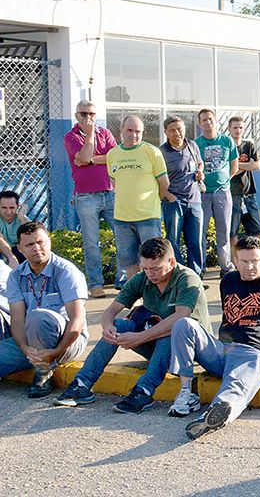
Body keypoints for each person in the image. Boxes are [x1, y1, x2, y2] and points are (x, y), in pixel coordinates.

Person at [169, 236, 260, 439]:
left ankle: (217, 414)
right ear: (236, 260)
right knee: (183, 324)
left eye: (255, 261)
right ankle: (186, 393)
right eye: (244, 261)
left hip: (252, 353)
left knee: (236, 386)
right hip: (221, 350)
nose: (250, 266)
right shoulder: (228, 280)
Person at [54, 237, 212, 413]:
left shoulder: (187, 278)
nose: (150, 273)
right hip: (156, 343)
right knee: (119, 325)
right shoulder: (142, 278)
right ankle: (82, 384)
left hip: (188, 350)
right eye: (145, 268)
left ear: (172, 262)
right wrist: (108, 328)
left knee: (172, 331)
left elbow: (181, 316)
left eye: (155, 269)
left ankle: (143, 391)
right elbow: (109, 312)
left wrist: (140, 337)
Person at [0, 222, 88, 398]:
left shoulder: (66, 271)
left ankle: (43, 372)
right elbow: (17, 320)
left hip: (67, 342)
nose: (36, 248)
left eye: (40, 242)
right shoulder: (16, 276)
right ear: (20, 248)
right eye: (30, 245)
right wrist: (25, 349)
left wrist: (56, 352)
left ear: (49, 241)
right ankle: (37, 361)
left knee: (38, 316)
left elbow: (77, 319)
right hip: (31, 344)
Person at [63, 99, 119, 297]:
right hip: (86, 197)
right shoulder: (71, 137)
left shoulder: (106, 133)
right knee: (91, 243)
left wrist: (90, 159)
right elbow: (84, 155)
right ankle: (96, 284)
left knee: (122, 236)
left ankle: (122, 281)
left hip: (110, 192)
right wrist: (89, 136)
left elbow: (113, 156)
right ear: (77, 116)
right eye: (83, 114)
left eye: (91, 114)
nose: (88, 118)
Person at [106, 115, 169, 279]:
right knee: (129, 264)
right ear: (121, 130)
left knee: (154, 261)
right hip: (122, 218)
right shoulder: (112, 154)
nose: (133, 135)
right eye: (129, 130)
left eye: (138, 131)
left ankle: (155, 298)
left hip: (148, 216)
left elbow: (164, 183)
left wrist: (154, 202)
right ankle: (135, 298)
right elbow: (115, 181)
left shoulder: (152, 152)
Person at [194, 109, 238, 276]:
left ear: (216, 121)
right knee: (200, 231)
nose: (208, 122)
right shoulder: (195, 144)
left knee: (224, 230)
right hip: (202, 193)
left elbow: (234, 166)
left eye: (211, 119)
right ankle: (200, 268)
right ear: (200, 123)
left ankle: (225, 266)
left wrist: (224, 181)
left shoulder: (227, 141)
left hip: (222, 192)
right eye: (204, 119)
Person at [160, 116, 205, 277]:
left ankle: (195, 276)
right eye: (172, 130)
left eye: (180, 129)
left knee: (196, 240)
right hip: (173, 202)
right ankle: (179, 275)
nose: (177, 133)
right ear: (166, 132)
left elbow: (200, 162)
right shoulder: (162, 152)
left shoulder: (192, 145)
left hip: (194, 201)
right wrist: (167, 195)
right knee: (173, 240)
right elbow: (156, 178)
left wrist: (200, 172)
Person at [228, 117, 260, 266]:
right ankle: (235, 261)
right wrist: (244, 165)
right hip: (233, 194)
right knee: (233, 231)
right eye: (235, 127)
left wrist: (238, 166)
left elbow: (256, 165)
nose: (238, 130)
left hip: (249, 193)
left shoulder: (248, 145)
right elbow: (228, 171)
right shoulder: (226, 145)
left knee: (256, 228)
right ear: (229, 129)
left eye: (241, 127)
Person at [0, 191, 30, 266]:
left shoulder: (22, 219)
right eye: (4, 208)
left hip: (18, 249)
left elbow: (31, 237)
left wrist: (21, 217)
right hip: (3, 249)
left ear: (18, 206)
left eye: (12, 208)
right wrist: (11, 257)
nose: (8, 212)